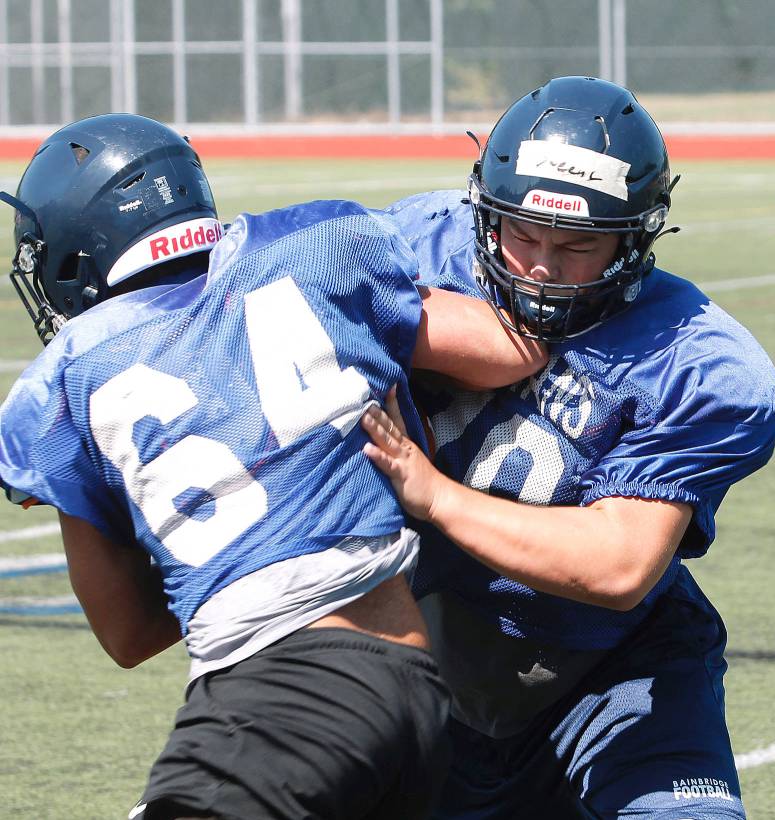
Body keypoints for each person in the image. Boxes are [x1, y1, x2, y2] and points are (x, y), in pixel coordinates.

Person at [0, 114, 547, 820]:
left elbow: (127, 634)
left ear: (74, 254)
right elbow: (515, 348)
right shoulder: (313, 249)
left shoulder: (65, 380)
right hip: (416, 694)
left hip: (283, 696)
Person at [361, 76, 775, 819]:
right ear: (483, 211)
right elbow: (269, 291)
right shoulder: (417, 246)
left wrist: (431, 492)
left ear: (635, 237)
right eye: (522, 235)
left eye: (577, 245)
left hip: (612, 665)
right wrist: (436, 326)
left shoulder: (701, 364)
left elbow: (616, 564)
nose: (541, 267)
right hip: (434, 659)